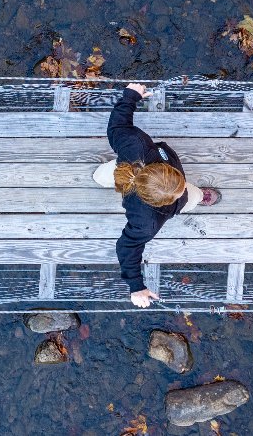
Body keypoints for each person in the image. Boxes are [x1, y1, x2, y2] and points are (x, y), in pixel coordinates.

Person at [95, 83, 221, 308]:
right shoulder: (147, 222)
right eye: (176, 193)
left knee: (106, 175)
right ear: (160, 203)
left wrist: (130, 97)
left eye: (179, 184)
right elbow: (127, 247)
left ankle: (99, 177)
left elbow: (118, 126)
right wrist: (136, 286)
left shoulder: (133, 144)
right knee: (190, 198)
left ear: (162, 170)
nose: (181, 190)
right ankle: (199, 196)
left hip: (124, 168)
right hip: (130, 175)